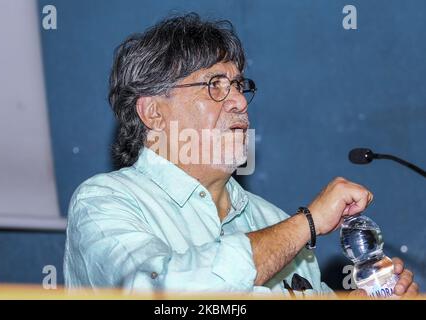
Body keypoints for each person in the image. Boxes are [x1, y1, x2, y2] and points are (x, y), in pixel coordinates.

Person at [63, 13, 418, 297]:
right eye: (214, 85)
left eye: (238, 85)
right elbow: (161, 293)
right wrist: (306, 224)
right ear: (153, 112)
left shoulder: (270, 220)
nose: (237, 101)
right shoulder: (104, 203)